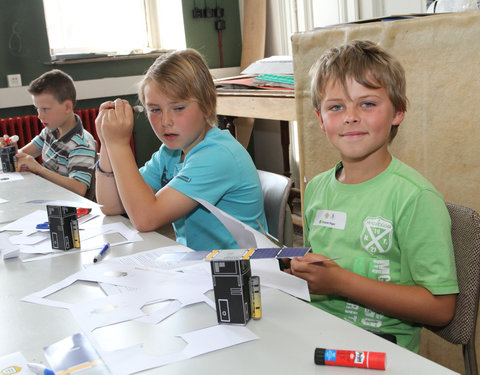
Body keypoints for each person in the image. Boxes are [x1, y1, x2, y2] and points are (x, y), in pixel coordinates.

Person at [287, 40, 458, 352]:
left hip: (381, 349)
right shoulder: (317, 189)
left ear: (398, 111)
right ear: (320, 119)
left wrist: (339, 282)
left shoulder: (415, 198)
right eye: (336, 106)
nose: (350, 116)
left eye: (367, 104)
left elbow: (441, 308)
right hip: (314, 333)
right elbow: (319, 269)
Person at [95, 48, 267, 251]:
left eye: (178, 108)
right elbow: (111, 205)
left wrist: (119, 144)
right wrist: (107, 143)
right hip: (198, 266)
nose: (165, 121)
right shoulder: (171, 152)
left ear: (207, 105)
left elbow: (145, 218)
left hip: (243, 272)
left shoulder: (218, 155)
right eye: (155, 110)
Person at [1, 69, 97, 197]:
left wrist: (39, 169)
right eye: (37, 109)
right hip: (47, 195)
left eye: (45, 109)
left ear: (67, 107)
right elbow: (22, 155)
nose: (39, 116)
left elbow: (79, 188)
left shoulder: (81, 143)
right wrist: (9, 150)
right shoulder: (50, 131)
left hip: (67, 206)